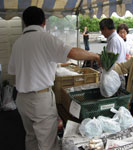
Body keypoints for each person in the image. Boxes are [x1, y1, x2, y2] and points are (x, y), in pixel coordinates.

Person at [8, 6, 100, 150]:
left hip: (22, 99)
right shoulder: (45, 38)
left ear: (24, 22)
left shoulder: (17, 43)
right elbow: (73, 53)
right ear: (44, 22)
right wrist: (95, 55)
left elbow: (13, 71)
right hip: (40, 99)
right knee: (48, 143)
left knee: (30, 137)